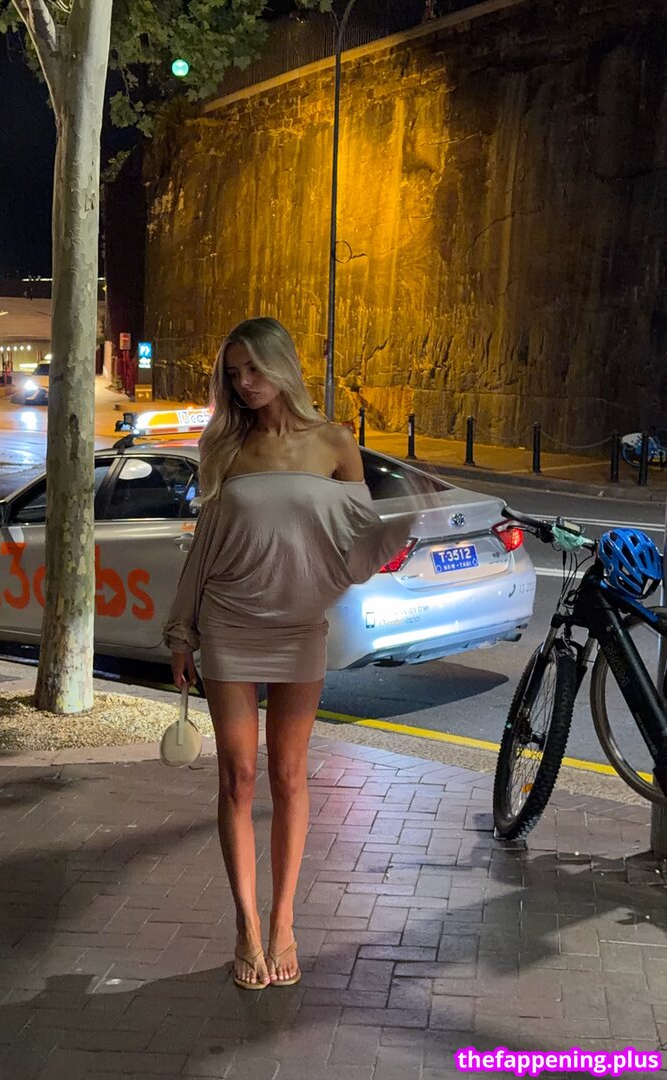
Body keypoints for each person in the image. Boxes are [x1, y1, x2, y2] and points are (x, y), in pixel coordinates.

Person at [163, 317, 414, 991]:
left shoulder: (334, 443)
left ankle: (283, 922)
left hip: (299, 626)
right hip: (229, 621)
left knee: (290, 776)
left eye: (253, 369)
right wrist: (182, 630)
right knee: (238, 776)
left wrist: (405, 529)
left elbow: (358, 542)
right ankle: (246, 925)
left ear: (282, 365)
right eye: (233, 374)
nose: (244, 384)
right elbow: (204, 546)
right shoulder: (224, 448)